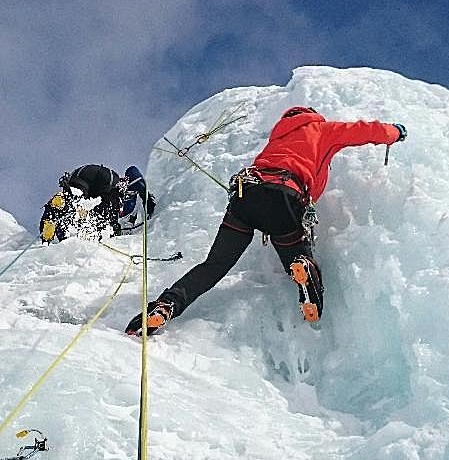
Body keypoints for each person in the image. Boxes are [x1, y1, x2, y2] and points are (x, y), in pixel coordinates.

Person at [126, 106, 406, 335]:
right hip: (285, 198)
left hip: (247, 195)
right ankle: (303, 269)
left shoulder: (277, 138)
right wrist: (395, 132)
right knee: (295, 253)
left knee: (214, 265)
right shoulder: (322, 129)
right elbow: (365, 131)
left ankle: (166, 305)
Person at [40, 164, 157, 243]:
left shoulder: (78, 188)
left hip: (93, 185)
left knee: (91, 214)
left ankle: (114, 229)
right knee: (98, 215)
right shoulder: (116, 190)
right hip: (97, 185)